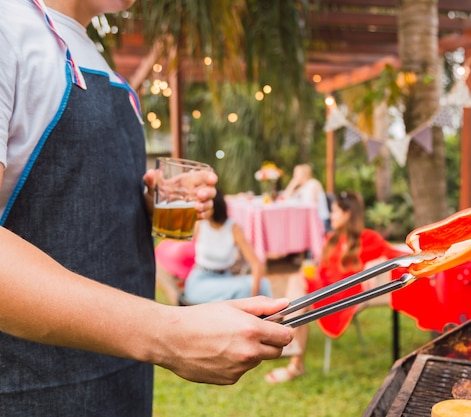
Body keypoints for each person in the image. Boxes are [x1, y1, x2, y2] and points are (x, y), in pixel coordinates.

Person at [0, 1, 292, 415]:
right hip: (31, 390)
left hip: (122, 382)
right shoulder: (7, 31)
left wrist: (147, 204)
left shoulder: (95, 59)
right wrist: (168, 332)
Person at [264, 191, 408, 384]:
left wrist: (376, 260)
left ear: (347, 214)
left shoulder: (368, 238)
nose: (330, 216)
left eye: (334, 212)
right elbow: (321, 270)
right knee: (297, 281)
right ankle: (292, 346)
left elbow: (395, 253)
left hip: (346, 294)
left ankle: (290, 345)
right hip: (324, 289)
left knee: (300, 294)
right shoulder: (332, 239)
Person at [182, 189, 273, 304]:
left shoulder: (233, 228)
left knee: (263, 284)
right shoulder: (199, 224)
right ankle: (251, 316)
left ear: (215, 207)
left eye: (205, 205)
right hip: (201, 281)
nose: (200, 208)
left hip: (226, 278)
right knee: (243, 289)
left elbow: (256, 264)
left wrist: (253, 295)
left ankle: (275, 317)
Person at [283, 163, 331, 232]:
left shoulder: (313, 184)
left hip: (320, 221)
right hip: (308, 221)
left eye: (296, 174)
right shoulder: (302, 188)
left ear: (304, 174)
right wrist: (292, 184)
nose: (294, 176)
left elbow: (313, 206)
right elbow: (285, 199)